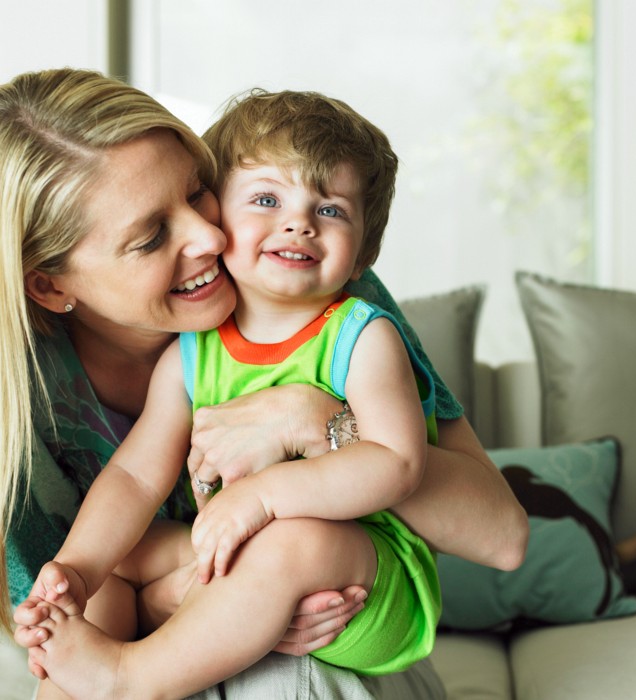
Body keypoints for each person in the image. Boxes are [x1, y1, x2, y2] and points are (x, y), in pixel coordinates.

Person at [3, 68, 528, 699]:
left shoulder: (322, 291)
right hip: (193, 586)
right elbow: (118, 503)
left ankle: (131, 678)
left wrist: (314, 423)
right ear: (51, 285)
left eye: (198, 193)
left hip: (343, 594)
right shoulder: (39, 392)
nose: (210, 236)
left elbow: (501, 536)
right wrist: (103, 582)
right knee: (97, 593)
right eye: (149, 238)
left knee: (281, 626)